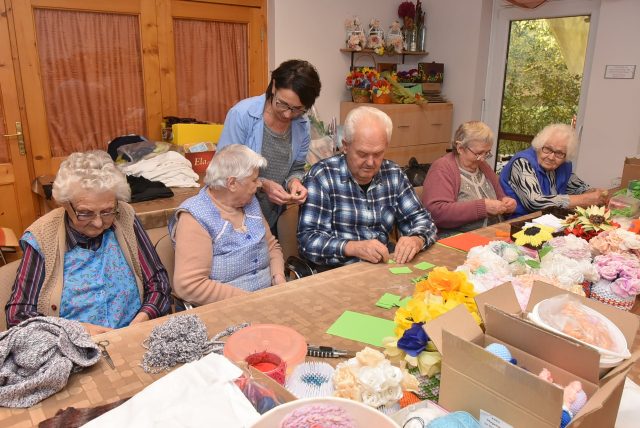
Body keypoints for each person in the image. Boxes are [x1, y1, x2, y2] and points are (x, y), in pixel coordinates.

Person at [5, 151, 171, 336]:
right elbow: (18, 316)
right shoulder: (42, 236)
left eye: (107, 211)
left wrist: (142, 319)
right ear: (64, 204)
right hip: (71, 345)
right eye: (85, 213)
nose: (98, 223)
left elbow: (158, 283)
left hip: (131, 337)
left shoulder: (124, 217)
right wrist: (77, 331)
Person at [297, 106, 437, 268]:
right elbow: (308, 241)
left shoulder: (393, 174)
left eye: (378, 154)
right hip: (339, 270)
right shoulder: (322, 176)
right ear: (345, 146)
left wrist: (417, 239)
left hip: (382, 265)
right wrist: (352, 247)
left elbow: (423, 221)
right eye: (362, 154)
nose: (370, 162)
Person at [169, 145, 285, 306]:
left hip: (268, 300)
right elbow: (189, 285)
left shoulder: (250, 202)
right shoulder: (195, 217)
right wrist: (251, 301)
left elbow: (272, 247)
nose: (259, 184)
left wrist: (279, 279)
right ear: (232, 183)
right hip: (227, 309)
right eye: (254, 180)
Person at [217, 59, 322, 231]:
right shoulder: (242, 115)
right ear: (274, 86)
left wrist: (294, 182)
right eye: (283, 104)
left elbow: (296, 168)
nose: (287, 114)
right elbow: (224, 171)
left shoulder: (302, 125)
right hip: (233, 217)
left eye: (297, 109)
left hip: (270, 217)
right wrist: (263, 185)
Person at [422, 121, 517, 236]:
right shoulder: (442, 168)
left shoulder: (483, 166)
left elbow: (500, 196)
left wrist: (506, 204)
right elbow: (437, 213)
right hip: (458, 239)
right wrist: (483, 207)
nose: (482, 159)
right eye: (478, 153)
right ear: (460, 148)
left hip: (493, 234)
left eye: (487, 153)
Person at [499, 123, 607, 217]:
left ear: (566, 155)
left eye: (559, 153)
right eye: (547, 149)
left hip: (548, 220)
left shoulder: (563, 165)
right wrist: (584, 199)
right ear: (539, 145)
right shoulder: (522, 162)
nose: (551, 157)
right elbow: (535, 202)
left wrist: (593, 193)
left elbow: (576, 186)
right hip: (518, 222)